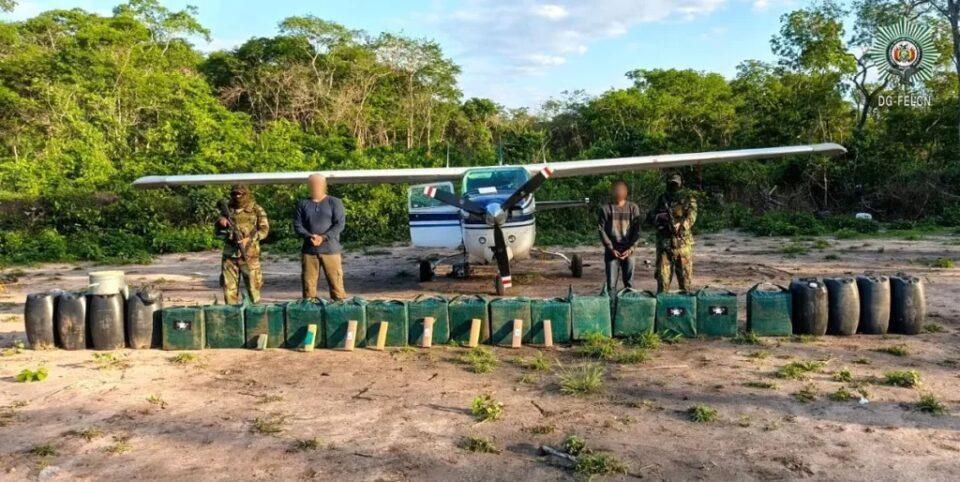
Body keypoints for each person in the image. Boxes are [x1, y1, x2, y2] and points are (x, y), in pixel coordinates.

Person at [294, 174, 347, 300]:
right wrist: (309, 236)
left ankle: (339, 310)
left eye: (318, 183)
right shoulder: (302, 204)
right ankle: (310, 312)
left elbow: (339, 224)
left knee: (337, 285)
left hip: (331, 250)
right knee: (308, 286)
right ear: (309, 185)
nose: (315, 186)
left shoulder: (334, 202)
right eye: (312, 183)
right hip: (309, 251)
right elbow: (297, 225)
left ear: (324, 185)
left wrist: (323, 237)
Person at [216, 184, 270, 304]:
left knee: (253, 291)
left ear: (246, 194)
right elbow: (218, 233)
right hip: (230, 255)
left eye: (239, 194)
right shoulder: (227, 210)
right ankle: (232, 318)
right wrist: (221, 224)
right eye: (234, 194)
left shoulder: (256, 209)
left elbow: (264, 230)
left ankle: (256, 319)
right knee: (229, 292)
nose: (237, 196)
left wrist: (249, 239)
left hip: (249, 256)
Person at [647, 174, 698, 293]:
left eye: (676, 184)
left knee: (685, 282)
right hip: (664, 244)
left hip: (683, 245)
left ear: (681, 184)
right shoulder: (661, 199)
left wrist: (681, 225)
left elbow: (692, 216)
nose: (673, 186)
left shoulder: (688, 199)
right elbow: (651, 216)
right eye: (671, 184)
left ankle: (686, 308)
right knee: (663, 281)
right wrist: (659, 219)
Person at [598, 180, 642, 291]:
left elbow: (637, 231)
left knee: (629, 285)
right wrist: (610, 248)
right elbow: (601, 230)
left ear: (626, 192)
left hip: (629, 251)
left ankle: (628, 305)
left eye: (621, 190)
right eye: (617, 190)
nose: (619, 192)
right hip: (612, 251)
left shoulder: (633, 208)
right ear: (612, 192)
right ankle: (612, 306)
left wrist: (631, 249)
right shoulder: (605, 209)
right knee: (611, 285)